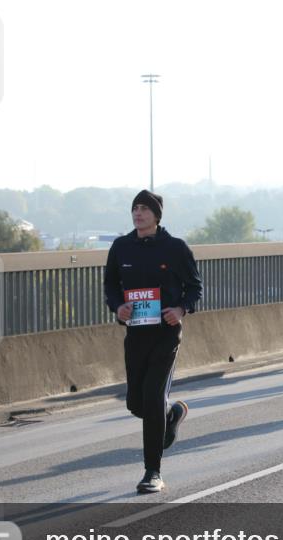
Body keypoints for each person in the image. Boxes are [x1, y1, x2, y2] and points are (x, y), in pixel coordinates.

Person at [104, 190, 203, 493]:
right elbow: (111, 286)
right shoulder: (121, 247)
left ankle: (152, 472)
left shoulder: (175, 248)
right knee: (136, 403)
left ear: (157, 216)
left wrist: (180, 309)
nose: (138, 213)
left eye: (145, 209)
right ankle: (171, 414)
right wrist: (117, 307)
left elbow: (194, 288)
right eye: (135, 208)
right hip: (135, 335)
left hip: (165, 335)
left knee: (152, 396)